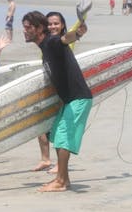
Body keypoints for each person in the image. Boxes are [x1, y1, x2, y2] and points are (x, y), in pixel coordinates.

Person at [22, 10, 92, 192]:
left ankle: (61, 181)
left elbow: (64, 39)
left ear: (39, 29)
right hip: (69, 99)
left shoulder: (51, 42)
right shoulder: (45, 48)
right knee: (55, 136)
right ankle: (64, 180)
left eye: (28, 27)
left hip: (78, 97)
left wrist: (77, 34)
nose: (24, 31)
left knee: (62, 137)